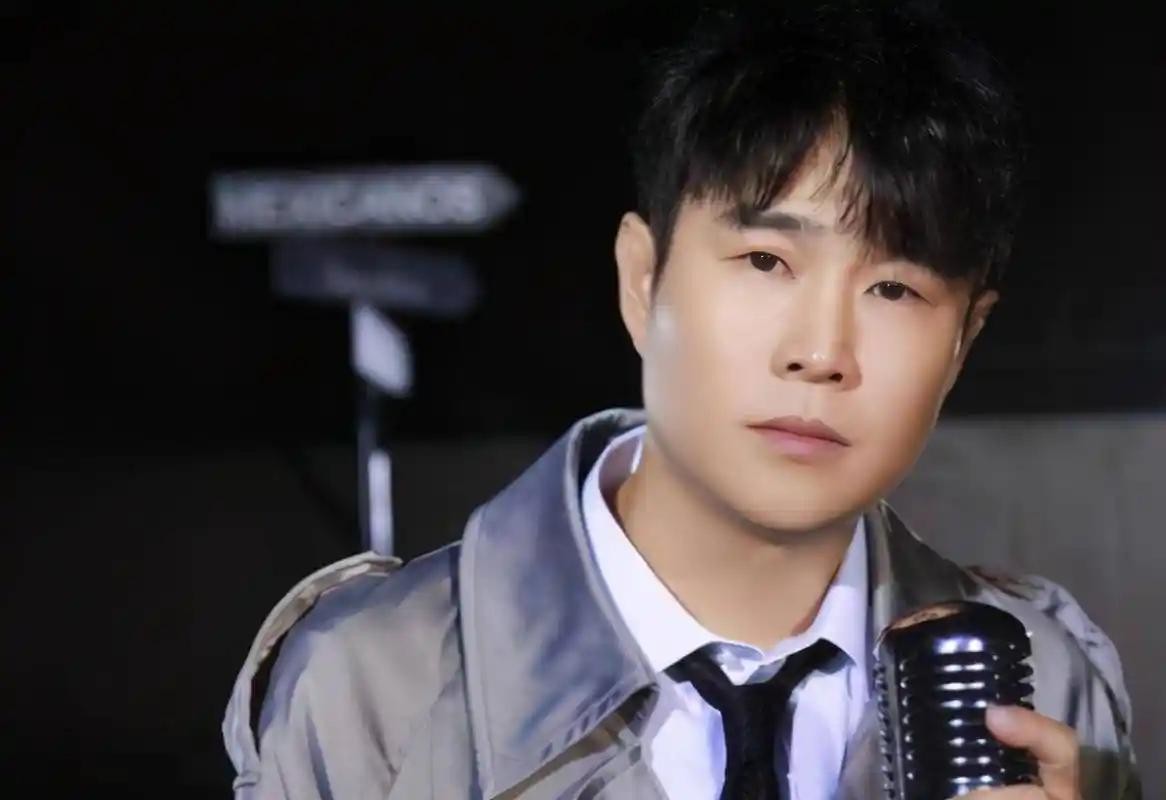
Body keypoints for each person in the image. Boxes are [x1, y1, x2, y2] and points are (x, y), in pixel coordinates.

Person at [223, 2, 1140, 797]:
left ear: (964, 340)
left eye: (893, 289)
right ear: (642, 279)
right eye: (766, 261)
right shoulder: (378, 682)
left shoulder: (1040, 683)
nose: (822, 353)